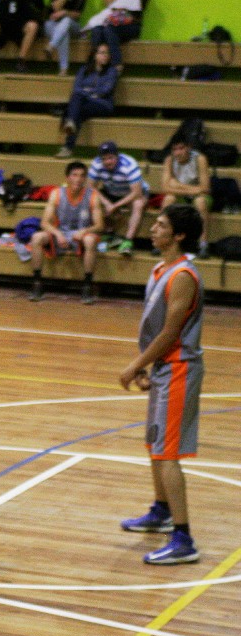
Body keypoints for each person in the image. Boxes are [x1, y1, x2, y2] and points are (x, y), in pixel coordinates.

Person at [118, 203, 204, 566]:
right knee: (155, 445)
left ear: (179, 235)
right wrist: (146, 365)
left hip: (180, 370)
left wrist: (135, 365)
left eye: (161, 225)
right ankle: (162, 511)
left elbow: (170, 333)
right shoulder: (160, 269)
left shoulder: (183, 275)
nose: (153, 229)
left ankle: (183, 539)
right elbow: (155, 330)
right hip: (162, 368)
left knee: (168, 453)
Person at [28, 161, 104, 303]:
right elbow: (44, 223)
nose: (78, 179)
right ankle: (37, 283)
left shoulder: (93, 195)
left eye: (82, 175)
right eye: (74, 175)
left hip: (82, 235)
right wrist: (58, 234)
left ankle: (87, 286)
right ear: (67, 178)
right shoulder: (56, 194)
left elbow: (100, 225)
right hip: (61, 232)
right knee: (36, 237)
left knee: (90, 240)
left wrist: (84, 231)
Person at [56, 43, 117, 158]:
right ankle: (68, 146)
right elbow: (76, 88)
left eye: (107, 53)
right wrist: (91, 94)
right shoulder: (84, 70)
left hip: (104, 105)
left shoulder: (112, 71)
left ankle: (69, 129)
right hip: (86, 103)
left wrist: (87, 92)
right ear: (94, 55)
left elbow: (105, 90)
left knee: (76, 106)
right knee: (78, 109)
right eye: (102, 53)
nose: (105, 56)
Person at [88, 140, 148, 256]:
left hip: (132, 193)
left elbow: (137, 193)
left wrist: (115, 206)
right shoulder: (96, 163)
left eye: (110, 158)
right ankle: (107, 234)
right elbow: (90, 187)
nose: (107, 162)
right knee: (92, 199)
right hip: (111, 191)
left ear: (117, 156)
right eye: (104, 159)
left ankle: (128, 242)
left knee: (138, 204)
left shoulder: (129, 165)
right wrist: (106, 203)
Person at [161, 138, 211, 259]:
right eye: (175, 149)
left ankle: (203, 244)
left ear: (189, 147)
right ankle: (163, 240)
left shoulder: (200, 159)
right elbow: (165, 187)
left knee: (200, 202)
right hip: (183, 195)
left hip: (198, 196)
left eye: (181, 148)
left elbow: (205, 188)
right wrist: (192, 189)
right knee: (168, 199)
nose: (178, 152)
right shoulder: (169, 160)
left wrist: (177, 185)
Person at [91, 0, 148, 71]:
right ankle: (95, 64)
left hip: (131, 25)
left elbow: (139, 8)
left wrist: (118, 2)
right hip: (113, 21)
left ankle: (116, 65)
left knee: (109, 29)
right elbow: (107, 3)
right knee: (97, 29)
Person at [44, 0, 86, 76]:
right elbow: (56, 8)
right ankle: (64, 69)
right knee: (63, 33)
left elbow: (77, 15)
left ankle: (51, 46)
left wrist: (65, 12)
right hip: (54, 24)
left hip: (73, 26)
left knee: (66, 21)